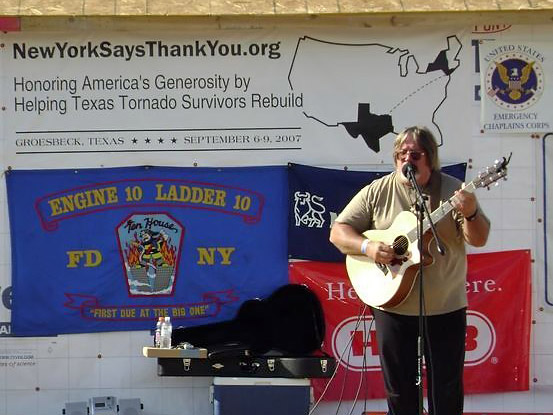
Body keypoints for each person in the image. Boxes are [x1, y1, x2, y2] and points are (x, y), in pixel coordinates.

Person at [329, 126, 490, 415]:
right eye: (400, 154)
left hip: (445, 308)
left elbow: (478, 239)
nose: (406, 160)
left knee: (447, 390)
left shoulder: (453, 190)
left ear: (430, 159)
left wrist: (471, 212)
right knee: (400, 390)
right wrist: (369, 248)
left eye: (414, 154)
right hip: (393, 306)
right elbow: (338, 232)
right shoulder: (378, 191)